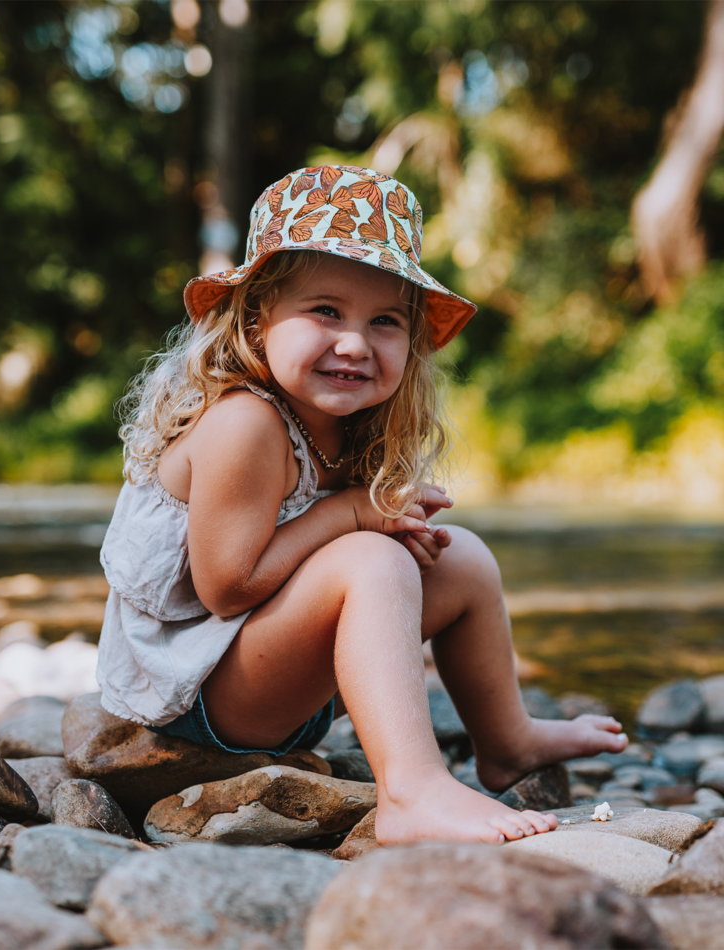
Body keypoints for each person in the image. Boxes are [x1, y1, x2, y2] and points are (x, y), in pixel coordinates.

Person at [97, 164, 627, 845]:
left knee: (461, 557)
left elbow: (323, 568)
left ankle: (508, 741)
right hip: (197, 699)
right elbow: (226, 589)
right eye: (325, 311)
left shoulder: (347, 428)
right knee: (370, 561)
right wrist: (350, 516)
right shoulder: (244, 424)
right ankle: (412, 791)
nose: (355, 343)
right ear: (257, 319)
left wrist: (390, 531)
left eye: (384, 321)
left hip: (271, 678)